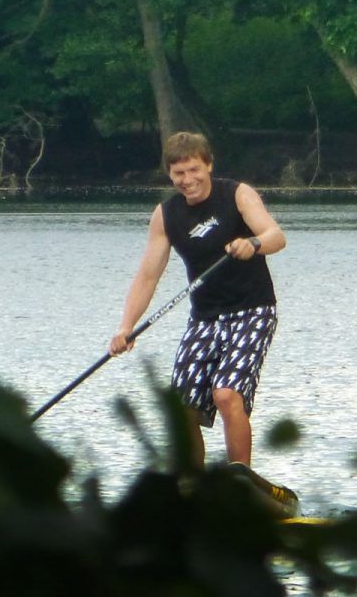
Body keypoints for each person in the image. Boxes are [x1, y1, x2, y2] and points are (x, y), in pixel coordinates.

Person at [109, 131, 287, 479]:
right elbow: (147, 276)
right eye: (179, 174)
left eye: (194, 170)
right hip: (204, 317)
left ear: (208, 165)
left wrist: (252, 243)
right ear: (170, 175)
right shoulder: (166, 215)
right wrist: (126, 327)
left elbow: (275, 237)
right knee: (184, 409)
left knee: (226, 394)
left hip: (253, 310)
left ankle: (240, 482)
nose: (188, 180)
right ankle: (193, 489)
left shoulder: (237, 194)